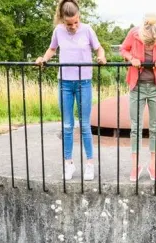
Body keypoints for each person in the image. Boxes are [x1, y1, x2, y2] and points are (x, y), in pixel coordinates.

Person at [36, 0, 107, 181]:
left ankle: (89, 164)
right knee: (67, 126)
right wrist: (43, 59)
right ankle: (68, 163)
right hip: (65, 83)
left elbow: (99, 48)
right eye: (69, 24)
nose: (73, 26)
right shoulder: (58, 31)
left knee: (84, 125)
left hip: (84, 82)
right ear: (62, 19)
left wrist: (101, 57)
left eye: (76, 22)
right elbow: (52, 49)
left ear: (79, 17)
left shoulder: (88, 29)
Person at [120, 13, 156, 181]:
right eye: (147, 42)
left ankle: (152, 165)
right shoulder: (134, 33)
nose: (149, 45)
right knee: (135, 127)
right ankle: (135, 166)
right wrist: (131, 58)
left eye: (152, 43)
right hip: (137, 86)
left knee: (155, 127)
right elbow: (123, 49)